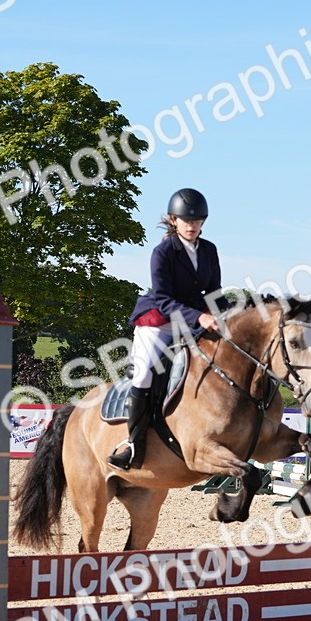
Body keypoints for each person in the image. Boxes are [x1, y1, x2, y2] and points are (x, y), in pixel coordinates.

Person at [107, 188, 228, 471]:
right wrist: (199, 317)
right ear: (174, 220)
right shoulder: (162, 253)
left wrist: (227, 314)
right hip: (159, 322)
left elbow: (215, 293)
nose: (192, 224)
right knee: (145, 372)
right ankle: (134, 444)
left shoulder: (209, 250)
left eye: (197, 220)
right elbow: (163, 300)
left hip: (195, 320)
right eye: (186, 219)